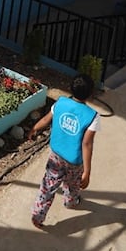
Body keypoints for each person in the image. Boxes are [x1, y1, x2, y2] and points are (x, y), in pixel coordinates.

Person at [28, 73, 99, 229]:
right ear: (91, 94)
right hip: (74, 161)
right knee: (73, 184)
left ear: (71, 89)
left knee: (48, 185)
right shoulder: (92, 116)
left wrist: (34, 129)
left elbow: (46, 120)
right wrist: (87, 171)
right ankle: (71, 202)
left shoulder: (60, 103)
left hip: (56, 155)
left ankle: (38, 215)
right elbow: (87, 144)